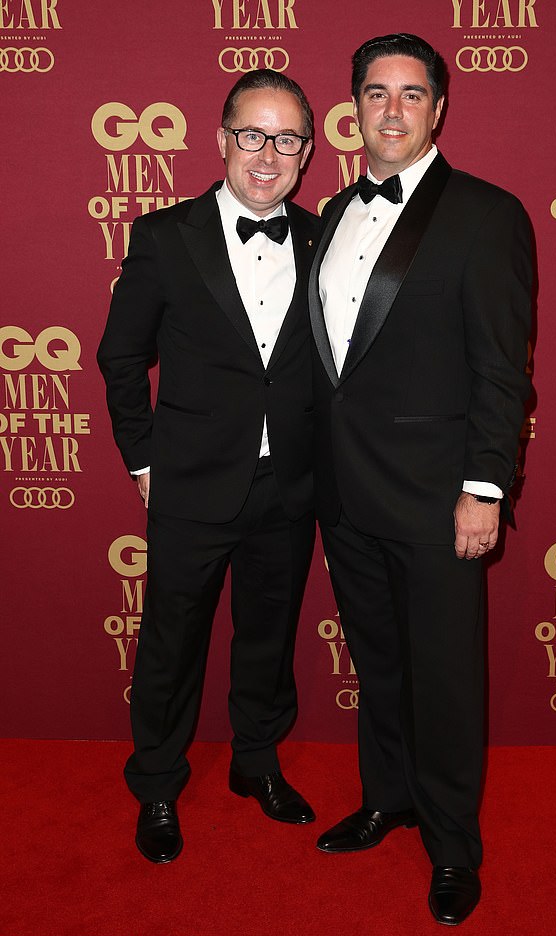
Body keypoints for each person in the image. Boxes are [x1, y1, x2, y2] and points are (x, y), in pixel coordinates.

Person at [309, 34, 532, 925]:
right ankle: (388, 797)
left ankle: (452, 844)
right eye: (375, 93)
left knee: (442, 676)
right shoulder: (329, 213)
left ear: (439, 109)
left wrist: (486, 486)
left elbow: (503, 370)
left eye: (411, 94)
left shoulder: (487, 214)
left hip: (441, 498)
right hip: (345, 493)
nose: (391, 110)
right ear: (354, 107)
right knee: (380, 662)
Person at [97, 69, 319, 864]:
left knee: (269, 634)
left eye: (287, 138)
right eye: (252, 135)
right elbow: (120, 356)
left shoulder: (321, 238)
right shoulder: (163, 235)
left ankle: (255, 763)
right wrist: (142, 459)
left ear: (306, 152)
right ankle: (157, 780)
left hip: (289, 482)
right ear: (222, 141)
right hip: (189, 481)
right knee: (171, 639)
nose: (268, 155)